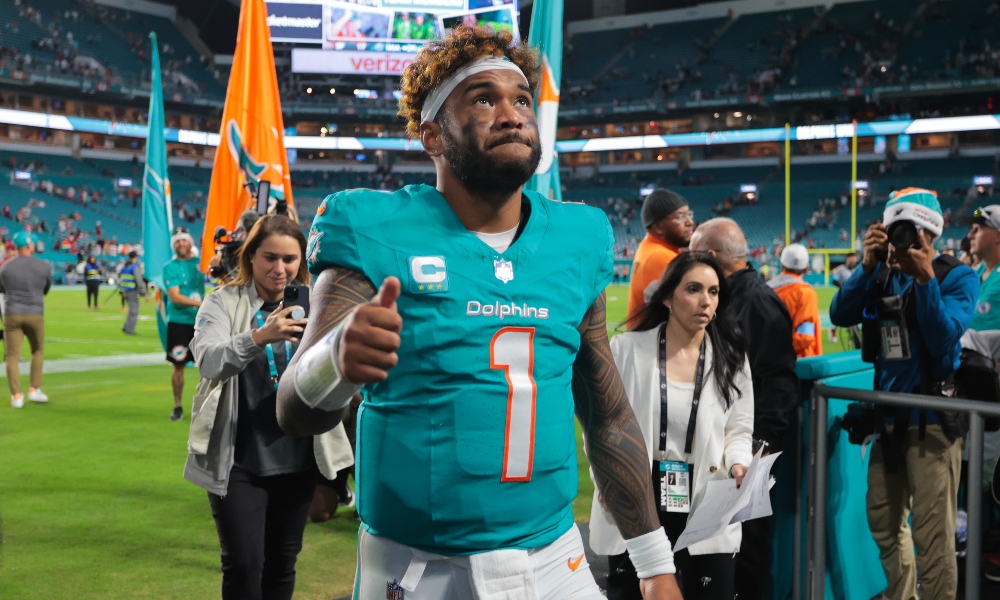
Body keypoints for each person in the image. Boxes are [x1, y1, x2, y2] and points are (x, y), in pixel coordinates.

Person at [276, 26, 682, 599]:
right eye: (485, 99)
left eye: (521, 100)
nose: (513, 114)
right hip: (418, 571)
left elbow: (608, 415)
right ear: (433, 136)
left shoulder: (577, 237)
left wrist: (654, 561)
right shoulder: (370, 227)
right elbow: (294, 407)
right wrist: (335, 362)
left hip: (553, 561)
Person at [185, 215, 353, 600]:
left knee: (282, 563)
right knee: (243, 565)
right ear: (250, 258)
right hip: (239, 460)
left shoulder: (320, 303)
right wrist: (259, 336)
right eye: (270, 257)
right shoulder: (221, 302)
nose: (280, 269)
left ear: (302, 262)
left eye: (290, 259)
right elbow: (209, 361)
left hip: (299, 459)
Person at [830, 188, 978, 600]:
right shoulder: (880, 274)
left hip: (932, 424)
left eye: (910, 233)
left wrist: (925, 277)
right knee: (883, 521)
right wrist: (866, 266)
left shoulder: (957, 276)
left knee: (933, 540)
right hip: (888, 422)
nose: (902, 241)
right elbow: (840, 314)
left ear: (929, 234)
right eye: (895, 232)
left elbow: (943, 339)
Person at [590, 252, 754, 600]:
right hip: (638, 501)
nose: (705, 301)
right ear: (667, 296)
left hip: (707, 508)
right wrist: (606, 480)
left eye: (713, 292)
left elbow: (739, 429)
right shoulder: (627, 351)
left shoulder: (732, 358)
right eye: (694, 289)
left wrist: (740, 462)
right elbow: (601, 428)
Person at [688, 217, 798, 600]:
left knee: (743, 552)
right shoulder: (733, 297)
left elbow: (780, 383)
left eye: (693, 253)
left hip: (744, 457)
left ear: (713, 255)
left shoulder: (757, 303)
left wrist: (756, 449)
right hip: (723, 451)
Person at [0, 231, 52, 408]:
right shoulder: (43, 265)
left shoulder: (5, 267)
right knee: (37, 351)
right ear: (30, 246)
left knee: (12, 355)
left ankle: (16, 396)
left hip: (12, 313)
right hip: (35, 313)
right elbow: (46, 289)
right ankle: (34, 389)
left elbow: (2, 289)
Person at [627, 189, 693, 323]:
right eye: (681, 216)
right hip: (654, 342)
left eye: (689, 215)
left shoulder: (651, 248)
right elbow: (691, 313)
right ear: (658, 227)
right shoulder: (660, 256)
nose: (690, 222)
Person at [163, 226, 204, 421]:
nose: (181, 243)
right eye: (177, 241)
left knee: (208, 365)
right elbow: (175, 297)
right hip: (179, 322)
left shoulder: (201, 264)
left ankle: (206, 406)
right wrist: (202, 303)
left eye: (184, 240)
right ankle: (177, 406)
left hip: (201, 323)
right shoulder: (169, 267)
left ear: (190, 242)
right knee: (178, 365)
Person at [768, 243, 822, 358]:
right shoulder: (805, 293)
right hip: (799, 362)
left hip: (769, 361)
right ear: (806, 268)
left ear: (782, 264)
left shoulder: (765, 289)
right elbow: (805, 336)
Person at [120, 251, 145, 335]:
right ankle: (130, 330)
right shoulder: (135, 267)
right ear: (135, 257)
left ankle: (126, 326)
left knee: (131, 310)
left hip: (125, 291)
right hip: (132, 291)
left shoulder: (125, 266)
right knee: (134, 311)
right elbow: (139, 281)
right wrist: (144, 292)